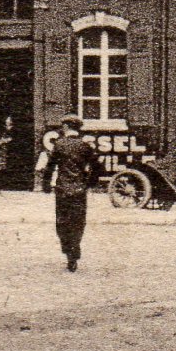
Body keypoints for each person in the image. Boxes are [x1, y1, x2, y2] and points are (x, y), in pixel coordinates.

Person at [49, 115, 102, 272]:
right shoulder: (85, 146)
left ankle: (68, 252)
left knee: (62, 222)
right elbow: (97, 167)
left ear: (66, 127)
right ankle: (75, 252)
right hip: (79, 190)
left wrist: (46, 184)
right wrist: (89, 183)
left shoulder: (59, 145)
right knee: (78, 222)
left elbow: (50, 166)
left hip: (62, 189)